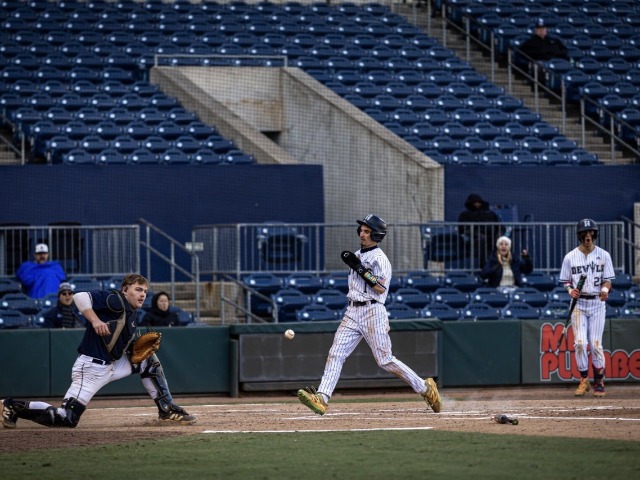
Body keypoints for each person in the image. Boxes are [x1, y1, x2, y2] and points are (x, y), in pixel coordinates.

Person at [1, 274, 196, 429]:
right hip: (91, 368)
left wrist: (131, 348)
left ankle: (167, 409)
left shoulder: (132, 314)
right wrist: (95, 321)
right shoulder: (115, 299)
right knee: (67, 418)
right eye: (138, 289)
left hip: (112, 364)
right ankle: (12, 406)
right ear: (125, 289)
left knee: (148, 360)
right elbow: (79, 297)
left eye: (145, 291)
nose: (143, 294)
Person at [297, 214, 442, 416]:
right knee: (336, 353)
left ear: (377, 235)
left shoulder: (380, 259)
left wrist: (360, 268)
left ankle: (425, 388)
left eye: (367, 231)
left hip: (373, 310)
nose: (362, 234)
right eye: (362, 230)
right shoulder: (358, 254)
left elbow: (381, 287)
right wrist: (358, 265)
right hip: (352, 311)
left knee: (385, 360)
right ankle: (322, 398)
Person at [559, 219, 614, 398]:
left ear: (595, 234)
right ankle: (584, 380)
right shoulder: (570, 257)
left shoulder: (604, 255)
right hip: (579, 304)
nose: (588, 235)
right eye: (585, 233)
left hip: (597, 303)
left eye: (591, 232)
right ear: (580, 235)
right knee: (580, 343)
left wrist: (605, 290)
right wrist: (570, 290)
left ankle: (599, 381)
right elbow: (566, 281)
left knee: (596, 344)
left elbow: (608, 280)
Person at [457, 193, 501, 267]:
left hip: (491, 237)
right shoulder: (465, 215)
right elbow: (462, 228)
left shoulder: (490, 213)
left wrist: (499, 235)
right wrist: (475, 233)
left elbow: (498, 226)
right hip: (474, 239)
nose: (477, 204)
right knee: (482, 239)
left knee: (502, 241)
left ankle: (501, 265)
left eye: (479, 202)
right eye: (475, 202)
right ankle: (483, 265)